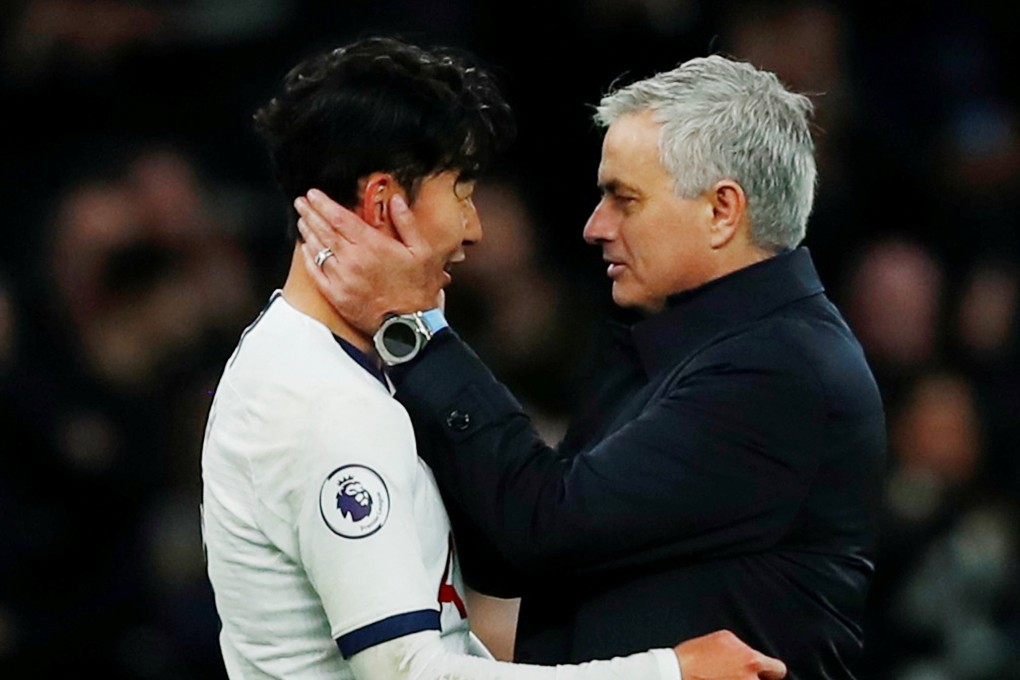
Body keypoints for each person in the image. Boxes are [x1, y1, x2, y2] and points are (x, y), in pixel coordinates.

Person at [200, 37, 787, 680]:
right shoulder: (323, 403)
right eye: (461, 190)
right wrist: (670, 673)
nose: (474, 227)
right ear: (382, 205)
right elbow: (410, 674)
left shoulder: (327, 361)